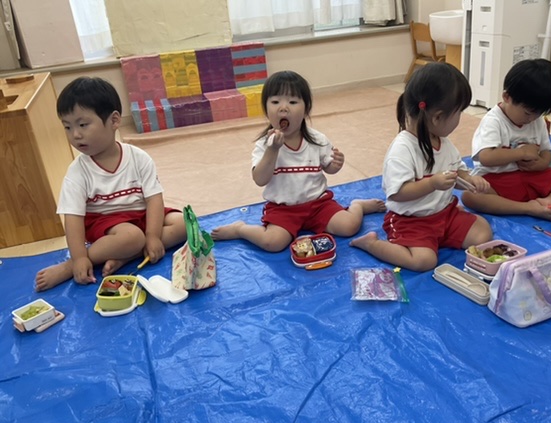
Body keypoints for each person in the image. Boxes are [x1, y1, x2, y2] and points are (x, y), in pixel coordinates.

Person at [35, 77, 186, 291]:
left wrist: (153, 236)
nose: (75, 134)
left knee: (185, 223)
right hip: (107, 223)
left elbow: (154, 200)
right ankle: (71, 266)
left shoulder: (139, 157)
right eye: (67, 127)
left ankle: (127, 255)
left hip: (142, 214)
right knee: (132, 236)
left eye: (83, 125)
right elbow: (73, 218)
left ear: (114, 120)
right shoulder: (77, 171)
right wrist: (78, 258)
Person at [210, 70, 385, 251]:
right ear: (266, 109)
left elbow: (329, 167)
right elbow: (260, 179)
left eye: (292, 102)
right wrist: (272, 150)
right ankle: (240, 229)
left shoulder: (317, 140)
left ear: (306, 109)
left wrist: (335, 165)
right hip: (283, 209)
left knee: (349, 226)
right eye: (275, 102)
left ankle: (357, 205)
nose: (283, 108)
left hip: (318, 204)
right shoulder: (265, 144)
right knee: (272, 242)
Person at [350, 63, 493, 272]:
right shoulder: (403, 149)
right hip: (411, 221)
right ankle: (372, 244)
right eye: (459, 113)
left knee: (482, 232)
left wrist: (470, 180)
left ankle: (438, 238)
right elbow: (397, 193)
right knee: (423, 261)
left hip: (444, 214)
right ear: (437, 117)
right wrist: (432, 184)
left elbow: (457, 171)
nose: (460, 119)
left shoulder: (443, 142)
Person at [461, 59, 551, 220]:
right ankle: (528, 208)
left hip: (530, 176)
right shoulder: (493, 121)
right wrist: (520, 153)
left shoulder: (536, 120)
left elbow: (546, 153)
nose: (531, 119)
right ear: (507, 97)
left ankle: (550, 201)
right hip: (498, 178)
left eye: (538, 113)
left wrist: (541, 164)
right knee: (470, 195)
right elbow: (486, 157)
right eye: (527, 113)